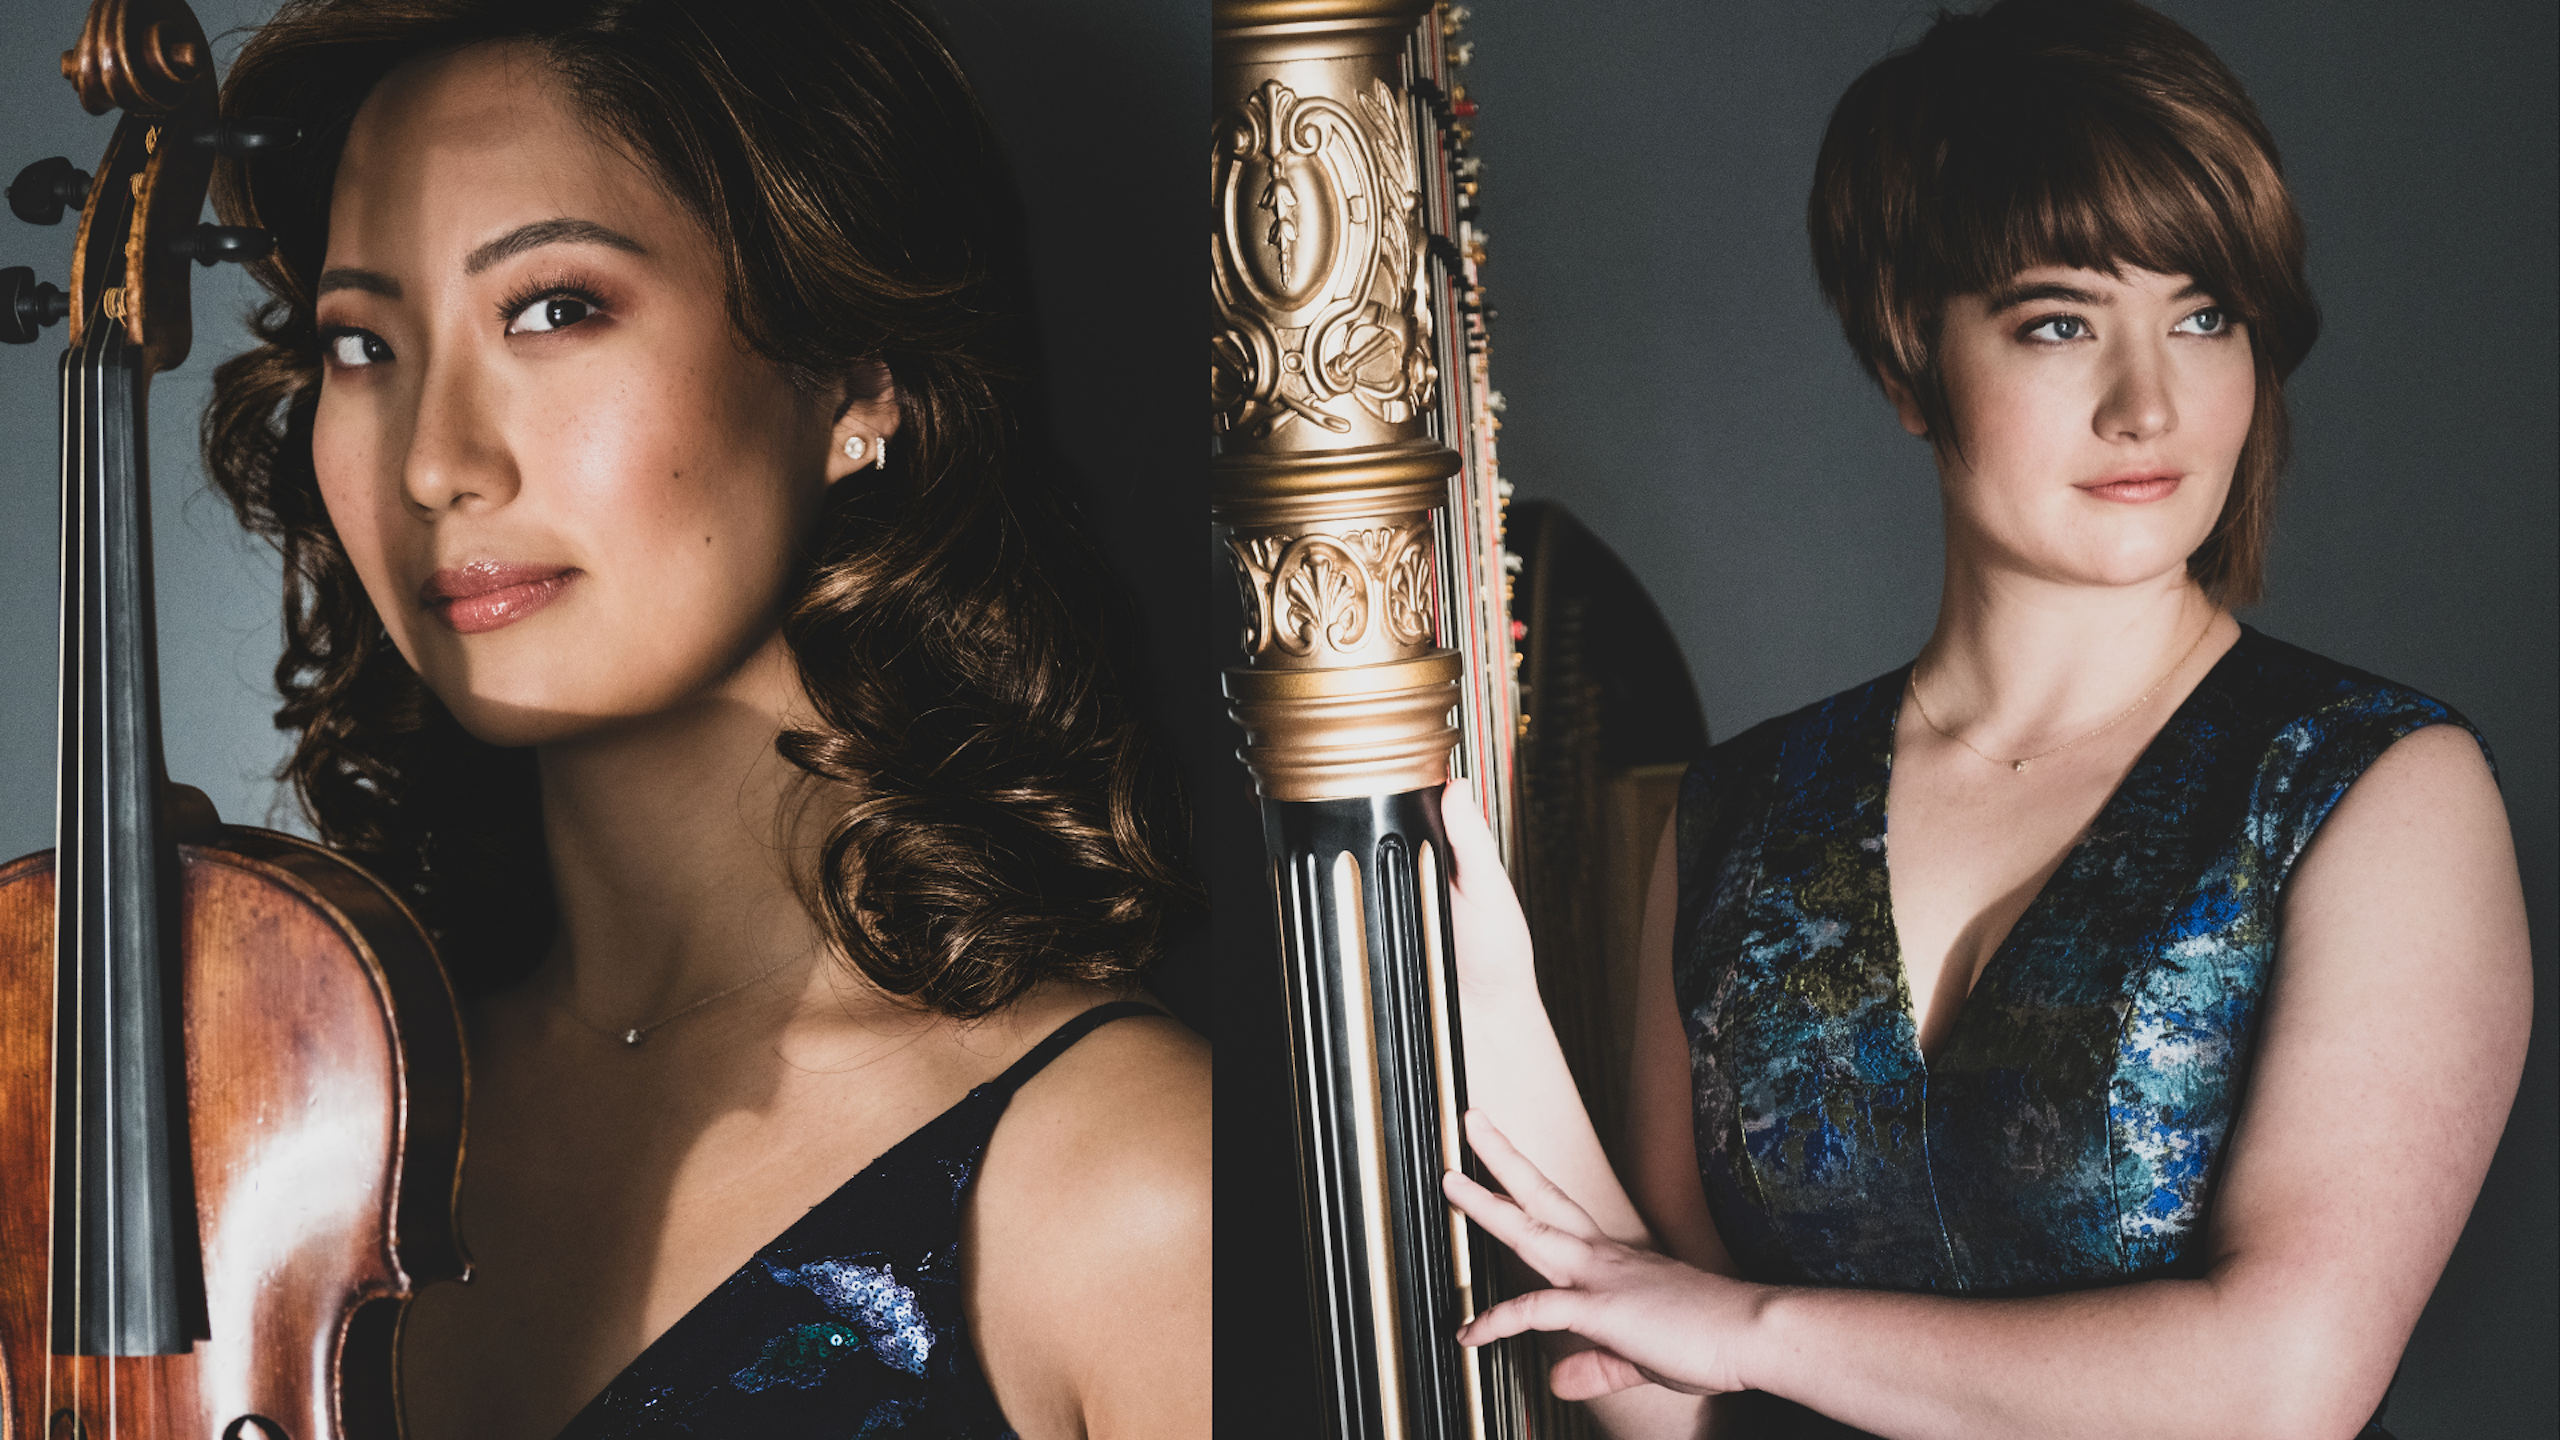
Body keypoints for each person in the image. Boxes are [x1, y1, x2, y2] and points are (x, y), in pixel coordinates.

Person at [1437, 2, 2532, 1437]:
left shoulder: (2376, 786)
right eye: (2061, 321)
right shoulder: (1741, 816)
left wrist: (1756, 1327)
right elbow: (1659, 1384)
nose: (2151, 404)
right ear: (1908, 363)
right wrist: (1493, 1003)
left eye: (2203, 316)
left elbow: (2281, 1390)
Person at [201, 1, 1209, 1434]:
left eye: (554, 307)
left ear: (861, 375)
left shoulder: (1131, 1185)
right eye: (363, 344)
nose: (435, 461)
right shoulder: (280, 1161)